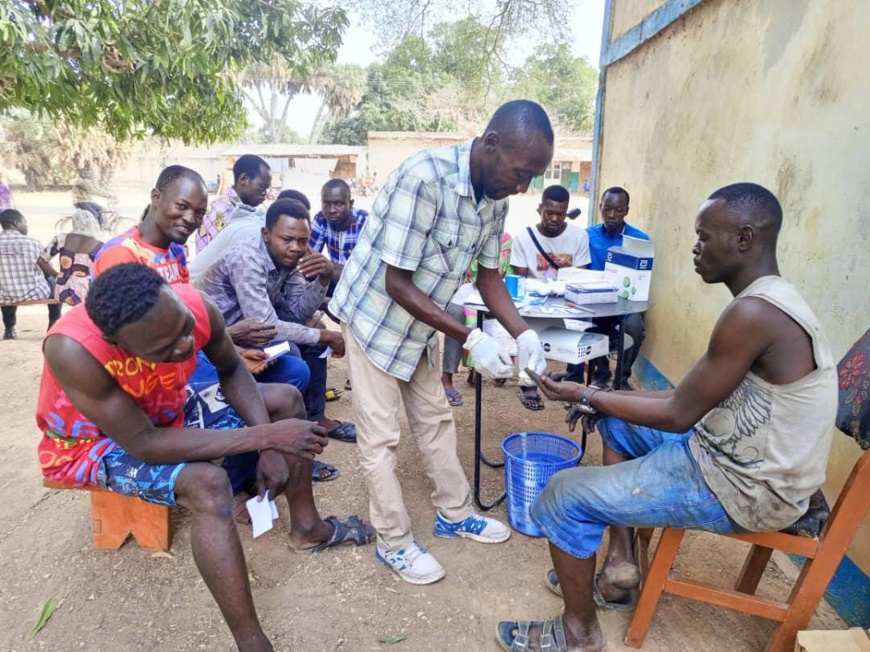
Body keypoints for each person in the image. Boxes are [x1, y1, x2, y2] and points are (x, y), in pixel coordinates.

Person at [497, 183, 838, 652]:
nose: (695, 248)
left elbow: (678, 414)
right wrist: (597, 397)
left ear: (743, 238)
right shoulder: (769, 299)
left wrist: (584, 392)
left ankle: (579, 635)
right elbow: (686, 399)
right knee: (616, 419)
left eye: (704, 237)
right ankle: (620, 568)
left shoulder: (754, 313)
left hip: (749, 488)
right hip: (737, 457)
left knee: (562, 494)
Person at [37, 263, 374, 652]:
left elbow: (231, 368)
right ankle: (252, 644)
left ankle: (307, 529)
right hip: (96, 442)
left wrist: (266, 446)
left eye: (183, 329)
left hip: (168, 407)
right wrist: (262, 436)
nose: (184, 346)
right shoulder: (73, 349)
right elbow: (144, 443)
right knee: (207, 485)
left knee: (285, 398)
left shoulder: (195, 305)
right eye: (164, 349)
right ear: (117, 342)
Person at [333, 99, 554, 585]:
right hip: (374, 318)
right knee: (380, 435)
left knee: (434, 418)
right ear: (491, 144)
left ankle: (454, 513)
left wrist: (525, 332)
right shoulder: (424, 179)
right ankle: (393, 542)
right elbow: (397, 284)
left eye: (532, 178)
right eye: (520, 173)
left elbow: (489, 276)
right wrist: (470, 335)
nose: (522, 188)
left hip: (418, 322)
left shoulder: (495, 198)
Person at [94, 166, 314, 438]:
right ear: (156, 197)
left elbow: (185, 322)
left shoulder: (174, 251)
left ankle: (264, 461)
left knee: (294, 371)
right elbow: (135, 344)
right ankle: (241, 464)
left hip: (189, 356)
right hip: (154, 375)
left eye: (199, 213)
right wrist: (227, 348)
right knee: (264, 391)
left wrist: (231, 348)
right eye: (182, 206)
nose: (190, 219)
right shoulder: (121, 256)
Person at [193, 198, 356, 444]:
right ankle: (285, 435)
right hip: (212, 342)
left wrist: (323, 279)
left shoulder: (286, 260)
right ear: (266, 234)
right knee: (296, 351)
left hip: (249, 334)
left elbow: (297, 310)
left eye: (303, 241)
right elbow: (267, 324)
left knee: (311, 339)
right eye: (287, 239)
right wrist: (325, 335)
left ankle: (313, 418)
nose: (296, 248)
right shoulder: (246, 258)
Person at [510, 184, 590, 410]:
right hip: (536, 306)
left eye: (560, 213)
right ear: (539, 209)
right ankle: (528, 386)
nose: (555, 218)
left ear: (566, 212)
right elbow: (522, 283)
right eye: (549, 212)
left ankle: (573, 385)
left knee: (580, 333)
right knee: (528, 333)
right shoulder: (523, 238)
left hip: (567, 304)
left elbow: (579, 277)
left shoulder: (578, 236)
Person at [584, 187, 650, 389]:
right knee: (593, 325)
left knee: (635, 329)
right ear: (601, 207)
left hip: (626, 302)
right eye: (607, 208)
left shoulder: (639, 240)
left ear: (626, 211)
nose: (612, 215)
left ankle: (620, 379)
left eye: (618, 209)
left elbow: (642, 275)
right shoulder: (587, 236)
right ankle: (601, 373)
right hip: (596, 300)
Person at [441, 232, 515, 406]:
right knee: (456, 314)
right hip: (464, 290)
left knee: (506, 313)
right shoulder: (464, 237)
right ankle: (447, 377)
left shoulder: (505, 241)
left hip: (495, 290)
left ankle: (498, 366)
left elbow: (509, 274)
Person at [0, 209, 62, 339]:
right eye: (25, 222)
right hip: (34, 292)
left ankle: (9, 329)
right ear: (16, 223)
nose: (27, 226)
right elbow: (46, 268)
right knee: (57, 285)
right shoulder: (33, 243)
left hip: (4, 295)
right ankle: (53, 324)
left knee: (5, 285)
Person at [195, 155, 272, 253]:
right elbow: (222, 258)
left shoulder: (250, 211)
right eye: (262, 187)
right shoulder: (220, 210)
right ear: (243, 179)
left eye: (267, 188)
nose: (265, 193)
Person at [309, 179, 369, 294]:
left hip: (361, 285)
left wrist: (329, 267)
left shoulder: (365, 222)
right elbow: (309, 261)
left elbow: (364, 274)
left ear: (350, 204)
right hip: (336, 279)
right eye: (327, 204)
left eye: (339, 204)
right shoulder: (321, 218)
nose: (331, 210)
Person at [39, 209, 104, 307]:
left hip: (62, 289)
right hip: (85, 291)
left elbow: (41, 260)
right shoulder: (99, 245)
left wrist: (57, 275)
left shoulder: (60, 239)